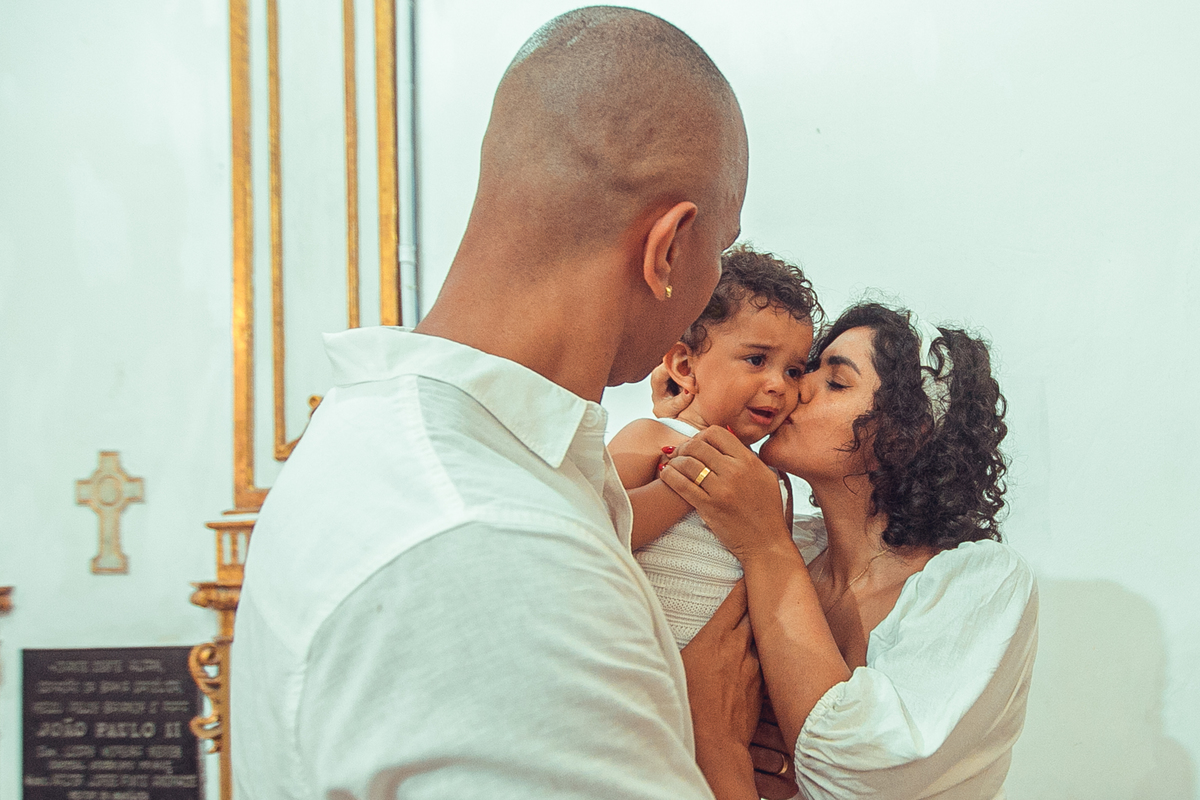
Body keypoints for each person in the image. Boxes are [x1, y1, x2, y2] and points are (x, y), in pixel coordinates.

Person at [229, 7, 765, 800]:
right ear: (669, 248)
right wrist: (718, 750)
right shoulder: (499, 547)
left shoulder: (379, 430)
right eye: (719, 250)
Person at [658, 302, 1038, 800]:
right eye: (810, 368)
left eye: (836, 382)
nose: (799, 387)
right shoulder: (792, 541)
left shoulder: (980, 583)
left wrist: (766, 548)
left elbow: (866, 771)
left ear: (908, 433)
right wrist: (682, 417)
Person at [610, 245, 819, 647]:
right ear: (685, 367)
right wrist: (687, 482)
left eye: (794, 371)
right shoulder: (651, 436)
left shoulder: (774, 482)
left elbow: (770, 580)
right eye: (757, 360)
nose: (779, 384)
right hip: (638, 666)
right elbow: (597, 529)